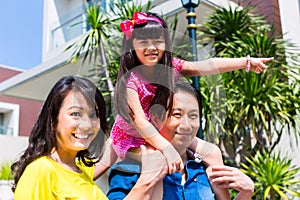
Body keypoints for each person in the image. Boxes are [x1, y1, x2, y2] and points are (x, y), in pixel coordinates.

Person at [95, 11, 273, 178]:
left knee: (213, 152)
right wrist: (167, 148)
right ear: (132, 46)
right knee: (154, 159)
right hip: (133, 137)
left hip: (165, 130)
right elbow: (140, 121)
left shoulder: (171, 67)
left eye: (158, 41)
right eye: (143, 42)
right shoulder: (131, 80)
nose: (151, 47)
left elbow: (208, 65)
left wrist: (246, 62)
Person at [10, 76, 166, 200]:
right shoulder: (40, 171)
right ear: (53, 120)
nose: (86, 125)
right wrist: (146, 179)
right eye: (75, 114)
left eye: (93, 115)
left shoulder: (82, 169)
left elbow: (112, 147)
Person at [107, 81, 254, 200]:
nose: (186, 125)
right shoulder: (130, 169)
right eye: (177, 115)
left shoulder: (205, 168)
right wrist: (147, 179)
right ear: (156, 118)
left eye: (193, 116)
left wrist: (245, 193)